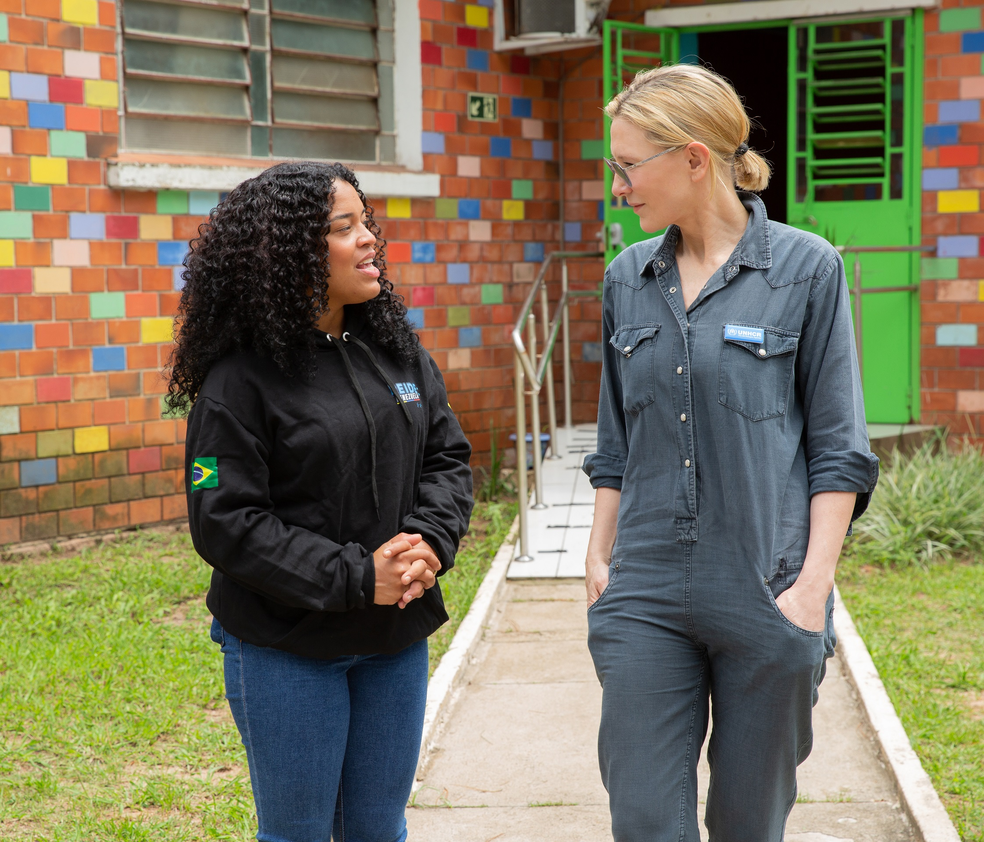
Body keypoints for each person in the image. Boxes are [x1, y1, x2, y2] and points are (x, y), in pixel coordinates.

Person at [582, 65, 879, 842]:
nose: (618, 186)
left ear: (692, 157)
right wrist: (597, 559)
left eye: (627, 165)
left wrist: (811, 590)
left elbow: (839, 447)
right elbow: (614, 439)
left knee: (749, 824)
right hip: (644, 587)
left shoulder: (808, 268)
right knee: (646, 820)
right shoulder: (626, 279)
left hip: (766, 584)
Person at [165, 161, 473, 842]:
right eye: (345, 226)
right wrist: (360, 576)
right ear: (292, 250)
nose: (370, 239)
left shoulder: (395, 349)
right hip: (288, 646)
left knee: (378, 829)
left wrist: (428, 542)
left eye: (367, 222)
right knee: (299, 833)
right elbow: (227, 522)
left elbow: (446, 457)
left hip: (393, 638)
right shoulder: (238, 381)